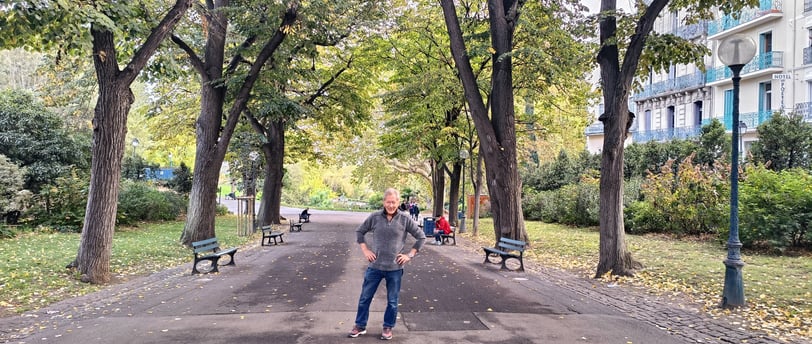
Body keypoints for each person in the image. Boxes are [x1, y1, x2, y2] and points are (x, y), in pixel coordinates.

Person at [348, 188, 426, 340]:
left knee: (392, 301)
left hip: (395, 268)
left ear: (398, 202)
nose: (391, 205)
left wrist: (409, 255)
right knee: (365, 298)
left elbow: (421, 237)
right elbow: (360, 232)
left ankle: (388, 327)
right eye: (388, 202)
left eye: (394, 202)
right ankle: (360, 325)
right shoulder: (375, 217)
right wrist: (365, 250)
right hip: (375, 267)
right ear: (384, 202)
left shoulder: (404, 219)